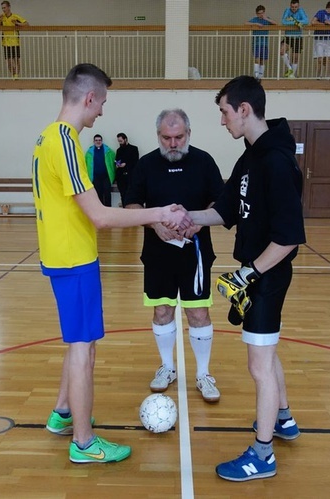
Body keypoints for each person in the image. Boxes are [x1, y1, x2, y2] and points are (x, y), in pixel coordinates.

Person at [33, 63, 191, 464]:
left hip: (62, 256)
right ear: (88, 98)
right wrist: (157, 213)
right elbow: (101, 215)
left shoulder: (45, 138)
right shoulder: (65, 142)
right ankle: (84, 444)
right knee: (84, 349)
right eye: (101, 102)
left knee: (77, 343)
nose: (101, 111)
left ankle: (63, 414)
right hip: (73, 261)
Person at [184, 75, 304, 481]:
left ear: (244, 110)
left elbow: (288, 239)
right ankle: (283, 418)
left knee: (259, 365)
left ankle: (263, 454)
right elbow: (225, 210)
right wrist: (185, 219)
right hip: (256, 275)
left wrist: (247, 274)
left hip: (267, 275)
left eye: (223, 112)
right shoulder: (250, 157)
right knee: (266, 353)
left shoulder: (276, 161)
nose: (222, 121)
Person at [125, 109, 225, 403]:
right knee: (162, 310)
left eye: (178, 137)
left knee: (198, 313)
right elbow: (130, 205)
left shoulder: (204, 161)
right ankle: (167, 368)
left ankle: (204, 374)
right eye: (166, 137)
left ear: (188, 134)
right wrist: (154, 223)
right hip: (157, 253)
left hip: (195, 252)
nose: (172, 143)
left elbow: (221, 200)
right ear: (158, 136)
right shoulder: (145, 165)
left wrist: (199, 221)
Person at [245, 5, 278, 81]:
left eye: (262, 13)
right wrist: (255, 24)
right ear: (257, 14)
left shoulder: (266, 19)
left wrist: (266, 19)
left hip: (264, 43)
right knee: (257, 58)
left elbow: (276, 23)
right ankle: (256, 76)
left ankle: (260, 76)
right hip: (256, 43)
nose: (261, 15)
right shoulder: (255, 19)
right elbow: (245, 23)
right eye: (259, 13)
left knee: (262, 60)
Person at [84, 134, 116, 207]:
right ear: (94, 141)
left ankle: (108, 210)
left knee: (107, 193)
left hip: (106, 176)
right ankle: (100, 210)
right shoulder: (89, 152)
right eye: (96, 140)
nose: (98, 142)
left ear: (102, 141)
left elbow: (114, 162)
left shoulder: (109, 151)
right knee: (98, 194)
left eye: (99, 140)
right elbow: (85, 165)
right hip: (95, 177)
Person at [280, 1, 309, 78]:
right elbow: (283, 21)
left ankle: (292, 75)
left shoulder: (301, 11)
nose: (294, 9)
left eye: (296, 7)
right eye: (292, 7)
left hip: (298, 37)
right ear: (290, 6)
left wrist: (293, 20)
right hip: (288, 37)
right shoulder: (287, 10)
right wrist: (296, 23)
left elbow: (306, 21)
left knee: (295, 58)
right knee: (282, 51)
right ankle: (290, 69)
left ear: (298, 6)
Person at [0, 1, 28, 78]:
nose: (3, 9)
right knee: (8, 61)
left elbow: (26, 24)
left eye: (4, 7)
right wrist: (0, 20)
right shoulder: (2, 17)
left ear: (9, 7)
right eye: (2, 8)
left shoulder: (15, 16)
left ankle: (16, 75)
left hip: (15, 41)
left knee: (16, 59)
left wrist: (17, 24)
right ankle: (13, 74)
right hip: (5, 42)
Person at [114, 132, 139, 207]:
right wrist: (117, 164)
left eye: (121, 141)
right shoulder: (119, 150)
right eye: (119, 141)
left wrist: (126, 164)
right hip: (121, 176)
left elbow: (135, 161)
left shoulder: (134, 149)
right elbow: (117, 160)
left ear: (125, 139)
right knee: (122, 194)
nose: (120, 143)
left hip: (130, 176)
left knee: (130, 194)